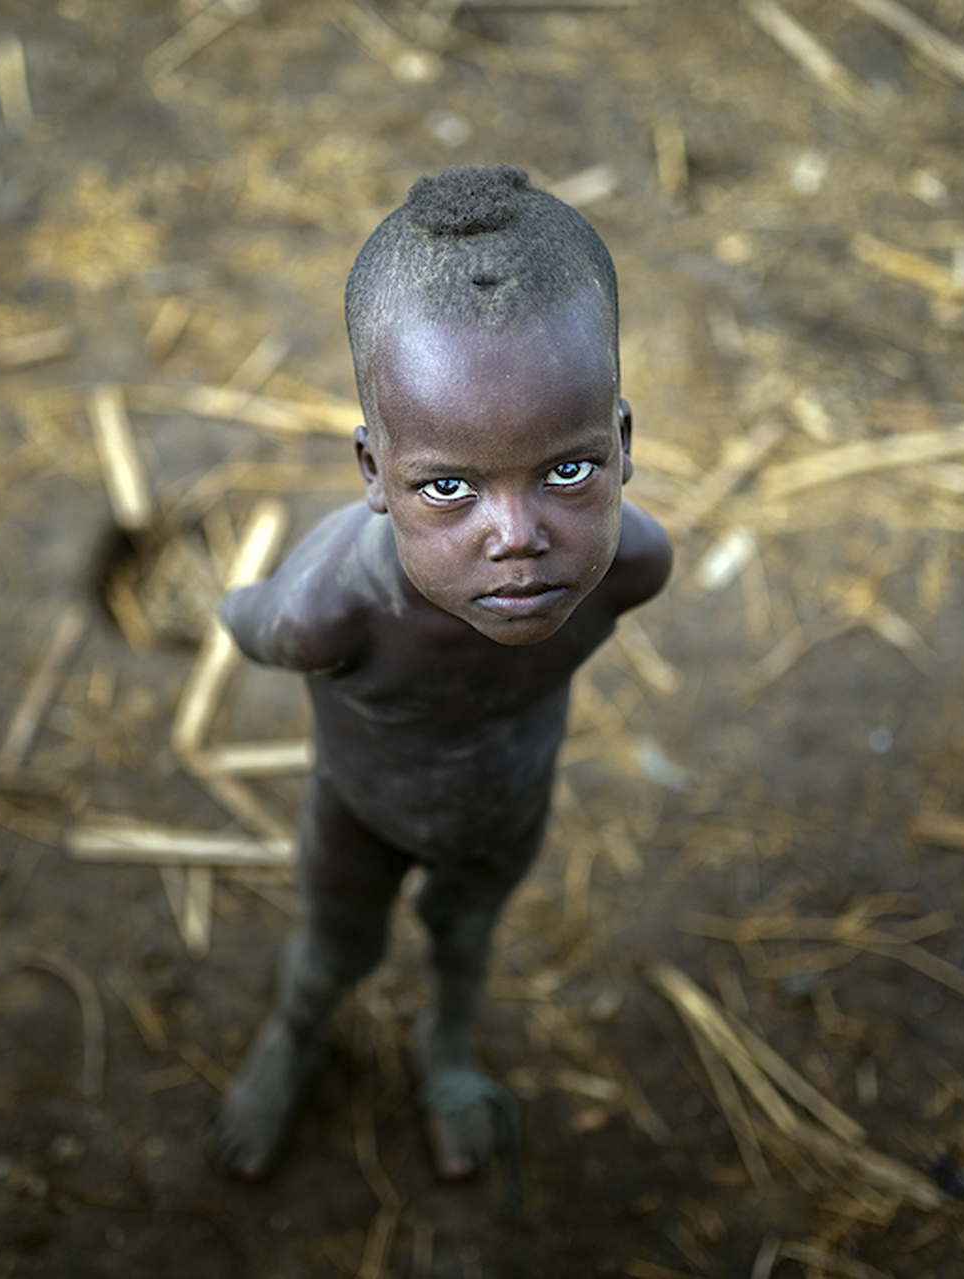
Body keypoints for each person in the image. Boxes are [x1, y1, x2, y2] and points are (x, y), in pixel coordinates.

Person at [214, 165, 672, 1183]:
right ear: (375, 473)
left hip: (507, 811)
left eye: (567, 470)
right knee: (334, 949)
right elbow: (243, 616)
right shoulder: (328, 613)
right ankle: (296, 1036)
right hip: (362, 814)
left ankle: (447, 1052)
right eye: (450, 486)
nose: (518, 540)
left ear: (623, 443)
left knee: (467, 941)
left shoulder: (629, 567)